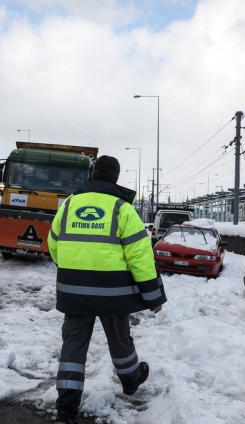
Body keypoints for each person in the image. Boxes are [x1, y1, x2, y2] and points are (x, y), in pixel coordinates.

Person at [47, 155, 167, 423]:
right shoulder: (122, 210)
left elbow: (53, 245)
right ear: (115, 178)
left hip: (74, 293)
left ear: (92, 174)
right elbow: (140, 258)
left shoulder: (69, 205)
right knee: (120, 339)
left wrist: (74, 271)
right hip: (113, 294)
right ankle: (131, 380)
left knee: (73, 346)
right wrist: (153, 296)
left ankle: (66, 407)